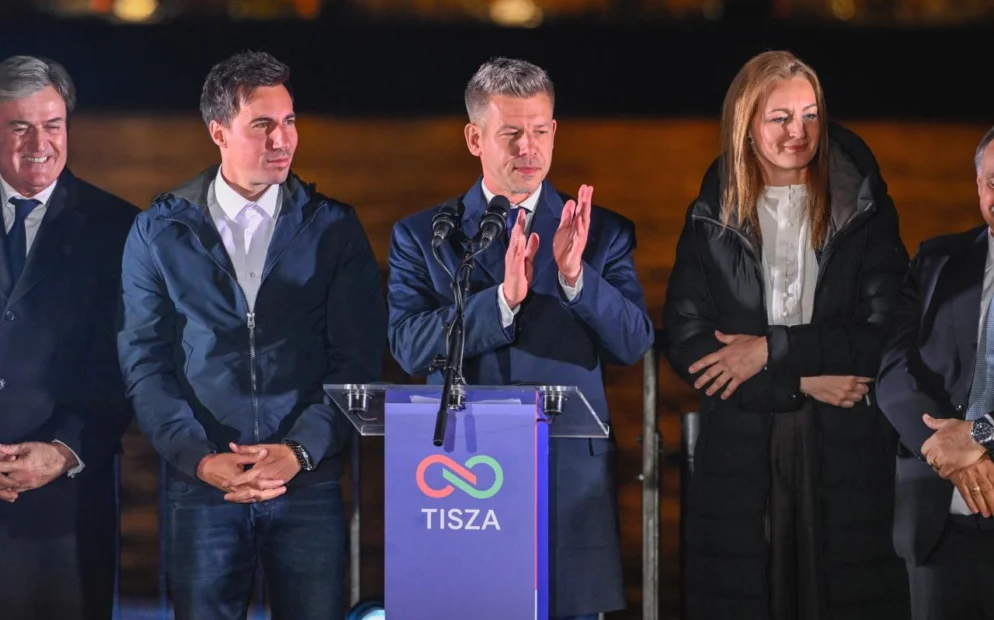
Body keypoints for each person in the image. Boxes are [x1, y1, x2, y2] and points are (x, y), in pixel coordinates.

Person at [117, 51, 386, 620]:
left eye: (288, 121)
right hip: (204, 486)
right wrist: (199, 458)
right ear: (219, 131)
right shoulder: (159, 231)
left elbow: (358, 357)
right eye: (262, 124)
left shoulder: (333, 228)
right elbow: (144, 361)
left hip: (307, 483)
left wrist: (301, 450)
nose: (282, 139)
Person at [387, 56, 654, 620]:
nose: (527, 147)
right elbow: (409, 346)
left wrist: (576, 278)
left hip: (566, 482)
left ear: (554, 131)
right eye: (511, 133)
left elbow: (633, 343)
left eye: (539, 131)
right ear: (474, 138)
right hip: (461, 484)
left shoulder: (601, 233)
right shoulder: (423, 235)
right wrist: (502, 302)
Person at [663, 50, 911, 620]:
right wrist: (800, 381)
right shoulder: (712, 213)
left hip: (846, 443)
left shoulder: (864, 208)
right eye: (780, 118)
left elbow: (884, 332)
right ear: (746, 124)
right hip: (742, 445)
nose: (797, 132)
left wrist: (769, 351)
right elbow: (686, 338)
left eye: (810, 115)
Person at [0, 55, 137, 620]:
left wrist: (63, 451)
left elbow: (132, 364)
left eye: (52, 125)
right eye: (19, 127)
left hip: (65, 508)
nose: (40, 143)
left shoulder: (123, 230)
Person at [877, 125, 994, 620]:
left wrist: (980, 436)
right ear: (978, 185)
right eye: (993, 182)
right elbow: (892, 371)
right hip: (939, 529)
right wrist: (947, 450)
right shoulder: (937, 261)